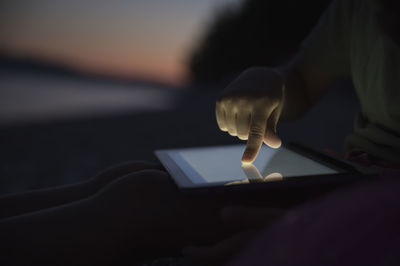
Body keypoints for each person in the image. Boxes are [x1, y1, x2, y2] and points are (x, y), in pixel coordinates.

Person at [1, 0, 399, 265]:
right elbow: (300, 83)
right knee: (127, 176)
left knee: (143, 199)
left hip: (381, 192)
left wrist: (320, 234)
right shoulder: (355, 9)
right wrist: (270, 80)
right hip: (349, 169)